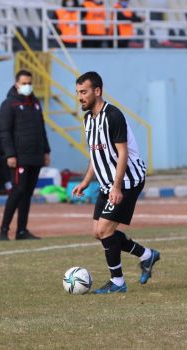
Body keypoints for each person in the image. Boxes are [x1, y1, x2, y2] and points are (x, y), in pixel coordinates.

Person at [71, 71, 159, 294]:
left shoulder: (113, 116)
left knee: (105, 230)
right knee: (98, 231)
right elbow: (96, 155)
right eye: (78, 92)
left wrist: (117, 187)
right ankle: (147, 255)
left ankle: (118, 282)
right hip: (107, 182)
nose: (80, 97)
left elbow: (122, 154)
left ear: (97, 91)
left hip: (127, 180)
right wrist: (85, 181)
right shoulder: (88, 119)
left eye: (84, 92)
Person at [0, 70, 51, 241]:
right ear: (17, 84)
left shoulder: (35, 103)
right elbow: (4, 132)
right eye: (24, 83)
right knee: (17, 191)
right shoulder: (9, 104)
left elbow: (41, 128)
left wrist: (46, 151)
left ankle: (22, 231)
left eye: (29, 83)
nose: (27, 86)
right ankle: (4, 230)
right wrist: (10, 154)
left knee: (27, 193)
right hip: (19, 156)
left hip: (35, 155)